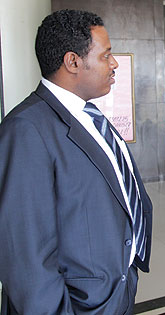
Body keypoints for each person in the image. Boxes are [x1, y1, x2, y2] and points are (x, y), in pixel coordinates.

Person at [0, 9, 152, 314]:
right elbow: (26, 258)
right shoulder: (27, 129)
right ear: (73, 62)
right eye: (106, 55)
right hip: (78, 305)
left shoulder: (90, 116)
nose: (114, 64)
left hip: (114, 293)